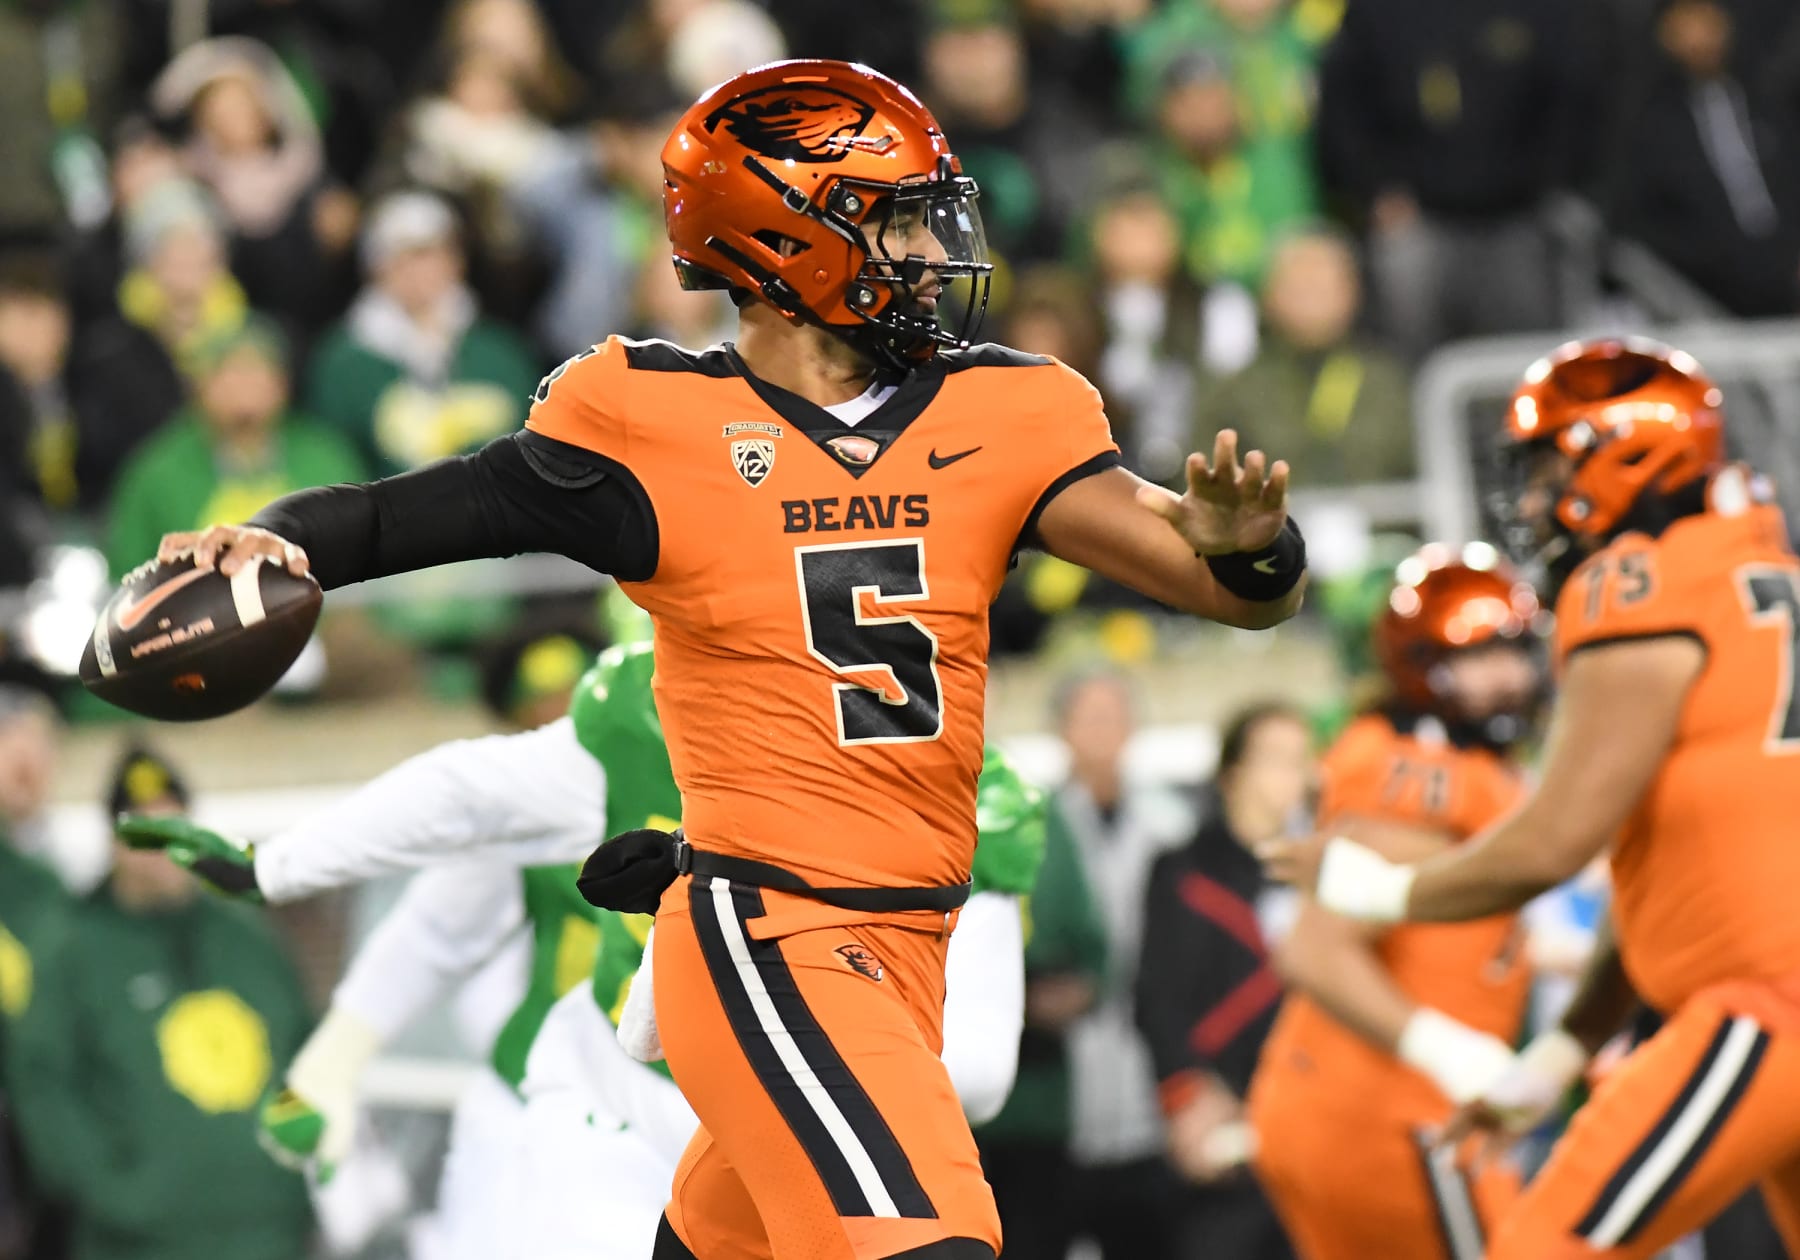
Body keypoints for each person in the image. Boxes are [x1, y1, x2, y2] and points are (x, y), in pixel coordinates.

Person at [134, 59, 1306, 1260]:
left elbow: (1232, 591)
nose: (926, 251)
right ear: (787, 241)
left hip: (912, 944)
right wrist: (277, 539)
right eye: (892, 220)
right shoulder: (653, 421)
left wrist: (1254, 548)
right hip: (775, 931)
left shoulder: (1004, 412)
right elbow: (417, 515)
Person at [124, 640, 1045, 1260]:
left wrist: (767, 951)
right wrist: (280, 874)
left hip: (807, 1128)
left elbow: (977, 1073)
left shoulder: (972, 807)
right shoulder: (638, 727)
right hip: (600, 1099)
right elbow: (459, 828)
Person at [1264, 337, 1800, 1258]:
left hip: (1764, 1008)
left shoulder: (1636, 586)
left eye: (1554, 467)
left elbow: (1551, 844)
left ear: (1622, 450)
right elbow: (1663, 885)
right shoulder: (1759, 569)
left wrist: (1371, 888)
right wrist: (1559, 1054)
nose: (1542, 500)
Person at [1249, 546, 1545, 1260]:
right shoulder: (1418, 770)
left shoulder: (1463, 762)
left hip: (1358, 1108)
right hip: (1391, 1118)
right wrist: (1453, 1053)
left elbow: (1441, 912)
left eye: (1514, 650)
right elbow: (1315, 947)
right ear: (1421, 662)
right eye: (1479, 655)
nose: (1507, 675)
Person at [8, 747, 314, 1260]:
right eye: (146, 832)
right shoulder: (68, 948)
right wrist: (116, 1192)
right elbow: (44, 1086)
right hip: (136, 1242)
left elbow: (306, 1054)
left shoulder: (247, 939)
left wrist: (292, 1172)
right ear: (114, 843)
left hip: (270, 1232)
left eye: (177, 827)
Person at [1135, 702, 1314, 1260]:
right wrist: (1188, 1095)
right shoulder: (1183, 871)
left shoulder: (1320, 873)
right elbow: (1154, 997)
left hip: (1308, 1125)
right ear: (1233, 774)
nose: (1296, 776)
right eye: (1278, 759)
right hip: (1219, 1126)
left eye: (1302, 760)